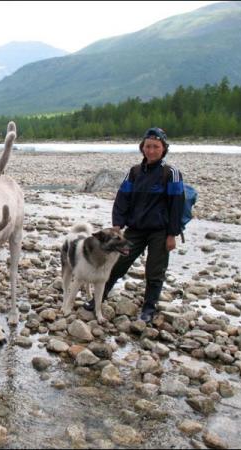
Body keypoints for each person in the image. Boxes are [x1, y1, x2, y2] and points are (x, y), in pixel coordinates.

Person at [83, 127, 184, 323]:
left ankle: (149, 308)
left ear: (163, 149)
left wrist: (173, 234)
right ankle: (98, 299)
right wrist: (117, 225)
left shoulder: (171, 173)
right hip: (135, 229)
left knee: (155, 270)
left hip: (160, 231)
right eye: (148, 146)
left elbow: (177, 206)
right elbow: (122, 198)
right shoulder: (135, 172)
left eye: (156, 146)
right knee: (116, 264)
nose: (151, 150)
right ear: (142, 148)